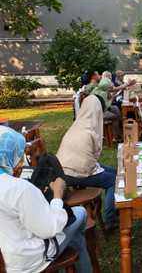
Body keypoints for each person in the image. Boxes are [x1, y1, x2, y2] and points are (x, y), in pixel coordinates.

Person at [0, 127, 92, 273]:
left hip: (5, 258)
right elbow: (50, 229)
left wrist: (35, 196)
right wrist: (57, 195)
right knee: (80, 214)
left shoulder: (17, 187)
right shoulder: (19, 188)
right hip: (24, 260)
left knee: (74, 238)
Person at [57, 95, 118, 229]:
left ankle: (115, 207)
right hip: (73, 172)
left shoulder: (79, 123)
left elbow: (87, 159)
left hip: (67, 166)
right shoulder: (87, 131)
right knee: (114, 180)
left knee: (117, 173)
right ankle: (110, 218)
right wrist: (97, 169)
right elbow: (87, 167)